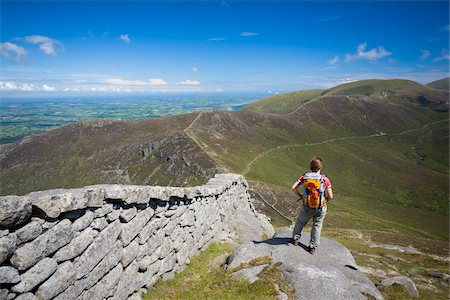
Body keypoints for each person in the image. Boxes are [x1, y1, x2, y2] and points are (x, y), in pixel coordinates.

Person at [291, 156, 333, 254]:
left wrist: (301, 196)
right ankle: (312, 247)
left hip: (307, 206)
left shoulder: (304, 177)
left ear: (311, 166)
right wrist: (325, 200)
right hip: (320, 207)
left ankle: (295, 240)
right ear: (320, 167)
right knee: (317, 226)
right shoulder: (324, 179)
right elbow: (330, 196)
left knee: (300, 222)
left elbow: (293, 188)